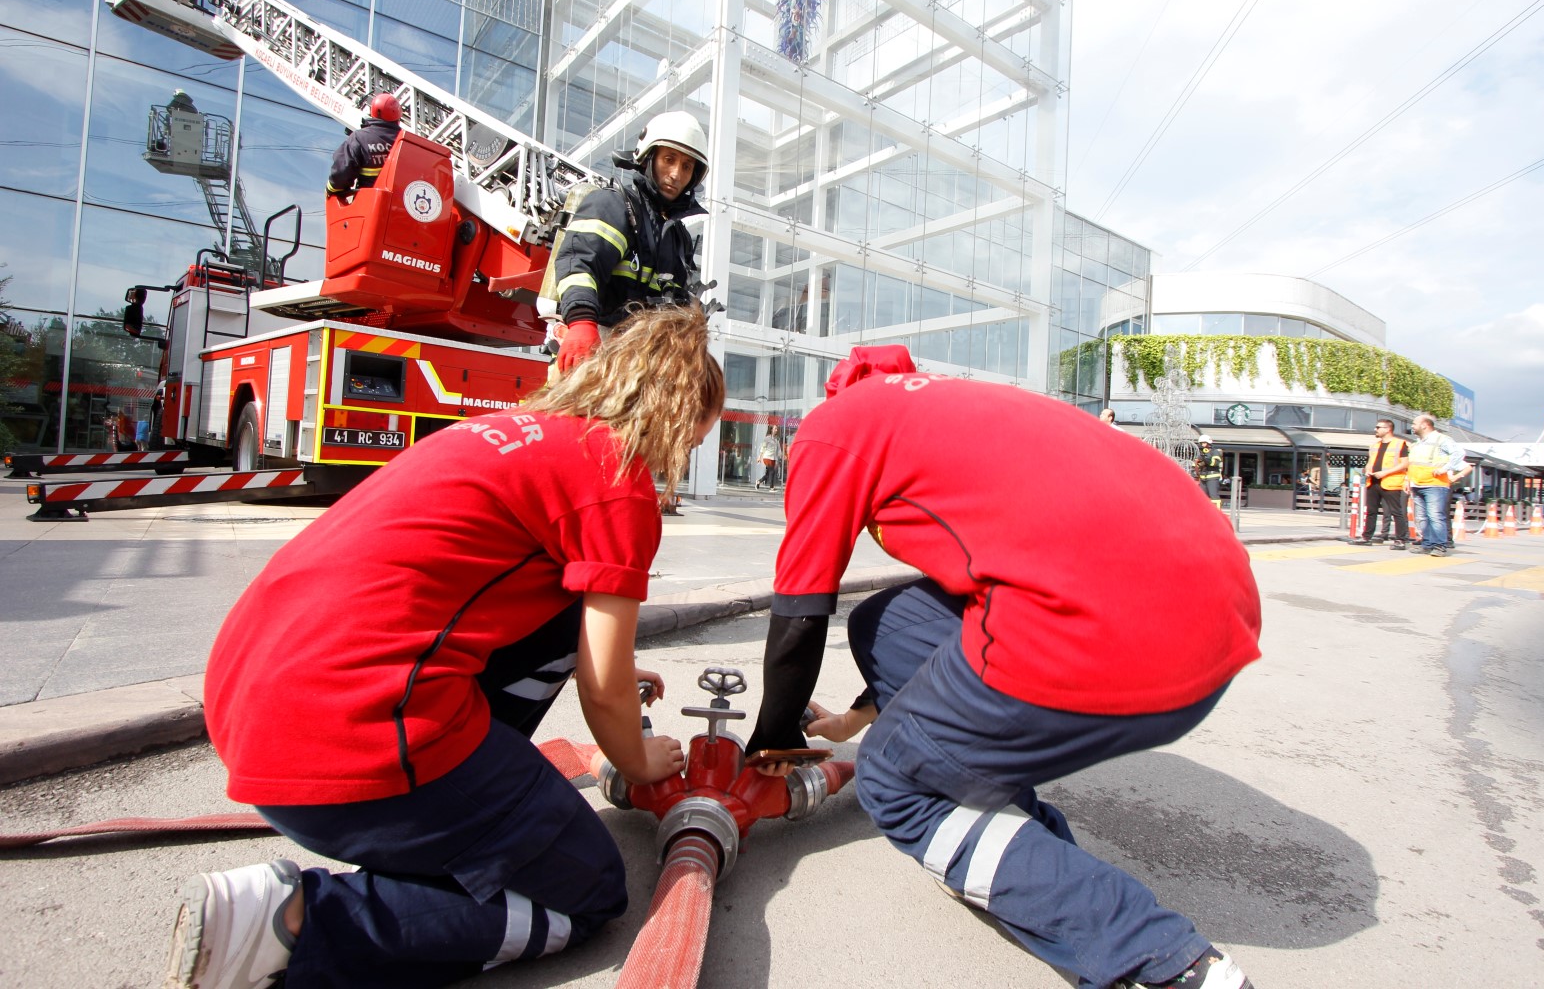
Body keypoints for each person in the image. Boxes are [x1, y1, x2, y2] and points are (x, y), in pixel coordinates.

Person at [162, 303, 724, 989]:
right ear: (677, 413)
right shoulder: (617, 479)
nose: (687, 455)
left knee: (558, 613)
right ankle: (299, 919)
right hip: (345, 741)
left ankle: (465, 814)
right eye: (696, 438)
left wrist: (606, 662)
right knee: (588, 892)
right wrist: (638, 761)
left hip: (255, 705)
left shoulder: (507, 434)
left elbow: (473, 591)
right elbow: (602, 691)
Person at [745, 346, 1262, 989]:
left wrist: (772, 736)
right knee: (882, 621)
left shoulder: (836, 427)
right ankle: (1010, 828)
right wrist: (857, 714)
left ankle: (1161, 961)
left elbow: (799, 607)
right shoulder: (963, 406)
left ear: (835, 394)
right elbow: (967, 591)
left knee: (892, 781)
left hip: (1112, 637)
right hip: (1221, 616)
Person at [548, 111, 708, 372]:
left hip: (643, 368)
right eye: (669, 159)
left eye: (687, 166)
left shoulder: (680, 239)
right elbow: (579, 264)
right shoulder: (613, 206)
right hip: (593, 352)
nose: (676, 174)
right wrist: (580, 322)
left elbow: (678, 304)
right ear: (648, 158)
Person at [1406, 412, 1471, 557]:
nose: (1412, 426)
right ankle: (1427, 544)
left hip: (1435, 484)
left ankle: (1440, 545)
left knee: (1435, 516)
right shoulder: (1417, 443)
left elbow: (1459, 453)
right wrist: (1408, 480)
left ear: (1424, 425)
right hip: (1417, 484)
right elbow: (1413, 464)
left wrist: (1445, 469)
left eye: (1414, 424)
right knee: (1422, 517)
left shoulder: (1441, 439)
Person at [326, 92, 402, 198]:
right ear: (398, 116)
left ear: (373, 112)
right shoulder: (408, 142)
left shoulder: (359, 138)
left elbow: (340, 175)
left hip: (369, 208)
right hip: (403, 209)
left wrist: (330, 190)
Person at [1349, 418, 1409, 549]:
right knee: (1371, 511)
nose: (1375, 429)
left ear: (1388, 429)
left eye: (1378, 427)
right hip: (1373, 481)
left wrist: (1385, 472)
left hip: (1390, 482)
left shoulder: (1400, 444)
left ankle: (1401, 540)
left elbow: (1404, 464)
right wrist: (1367, 469)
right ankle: (1366, 537)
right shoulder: (1374, 446)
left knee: (1396, 512)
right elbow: (1370, 462)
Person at [1194, 434, 1223, 507]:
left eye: (1204, 443)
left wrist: (1205, 459)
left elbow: (1215, 463)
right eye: (1201, 443)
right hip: (1203, 477)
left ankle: (1216, 514)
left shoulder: (1215, 452)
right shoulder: (1202, 453)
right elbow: (1197, 465)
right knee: (1202, 497)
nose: (1203, 445)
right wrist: (1197, 465)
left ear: (1208, 443)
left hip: (1212, 477)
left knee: (1214, 497)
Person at [756, 423, 782, 491]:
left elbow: (778, 449)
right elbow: (763, 448)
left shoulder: (776, 440)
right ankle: (771, 487)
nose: (776, 430)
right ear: (771, 430)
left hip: (773, 458)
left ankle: (758, 482)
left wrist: (780, 455)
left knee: (768, 474)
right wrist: (759, 457)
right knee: (772, 471)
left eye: (777, 429)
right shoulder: (767, 438)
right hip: (767, 457)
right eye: (775, 428)